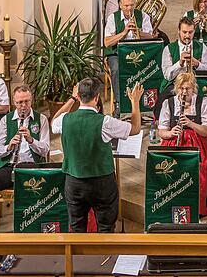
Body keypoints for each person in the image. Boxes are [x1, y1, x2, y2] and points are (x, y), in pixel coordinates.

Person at [52, 78, 142, 232]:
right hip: (101, 182)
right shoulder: (105, 122)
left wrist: (71, 99)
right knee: (105, 227)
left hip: (73, 182)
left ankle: (79, 256)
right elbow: (135, 128)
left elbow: (53, 120)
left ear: (79, 96)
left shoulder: (65, 119)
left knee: (76, 227)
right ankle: (106, 256)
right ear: (97, 97)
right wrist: (135, 101)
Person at [0, 85, 50, 232]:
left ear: (32, 101)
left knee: (35, 190)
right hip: (10, 166)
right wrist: (9, 146)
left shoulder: (41, 119)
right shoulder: (6, 120)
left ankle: (35, 227)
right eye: (19, 102)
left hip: (31, 167)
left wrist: (31, 140)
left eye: (26, 102)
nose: (23, 106)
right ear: (14, 103)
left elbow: (45, 149)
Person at [157, 73, 207, 216]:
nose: (184, 92)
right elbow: (161, 132)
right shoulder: (169, 103)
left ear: (193, 88)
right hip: (174, 144)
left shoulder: (203, 102)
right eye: (181, 88)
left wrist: (190, 124)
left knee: (198, 175)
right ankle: (171, 207)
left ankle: (196, 210)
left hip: (197, 146)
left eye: (187, 89)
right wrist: (171, 133)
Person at [104, 0, 153, 113]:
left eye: (131, 5)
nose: (129, 8)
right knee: (115, 69)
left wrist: (138, 31)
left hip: (138, 52)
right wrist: (124, 33)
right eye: (126, 6)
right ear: (120, 5)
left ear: (135, 4)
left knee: (152, 66)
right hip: (117, 54)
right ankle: (119, 104)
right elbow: (107, 42)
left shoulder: (143, 16)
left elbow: (151, 37)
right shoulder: (112, 18)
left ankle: (146, 103)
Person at [160, 17, 207, 94]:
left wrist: (197, 64)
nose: (187, 36)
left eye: (190, 32)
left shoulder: (202, 47)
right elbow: (167, 76)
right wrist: (180, 63)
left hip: (196, 84)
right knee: (162, 100)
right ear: (178, 31)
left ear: (194, 31)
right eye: (184, 32)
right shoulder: (168, 49)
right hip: (175, 84)